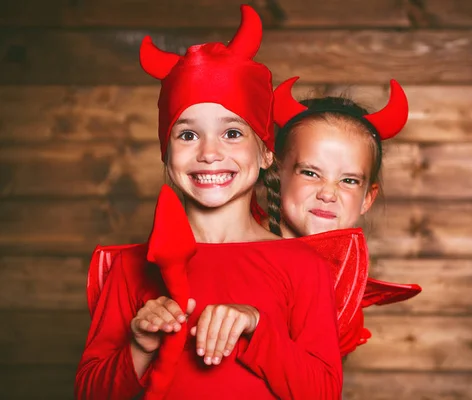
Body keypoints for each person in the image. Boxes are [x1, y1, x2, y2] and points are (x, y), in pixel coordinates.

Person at [75, 6, 342, 399]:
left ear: (267, 152)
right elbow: (89, 393)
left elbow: (323, 394)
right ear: (165, 155)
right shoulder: (131, 267)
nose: (210, 153)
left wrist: (257, 326)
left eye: (233, 133)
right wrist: (140, 346)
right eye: (187, 136)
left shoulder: (304, 266)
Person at [257, 76, 421, 355]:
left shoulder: (345, 300)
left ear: (367, 199)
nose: (328, 193)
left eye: (349, 181)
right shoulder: (229, 247)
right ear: (276, 173)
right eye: (310, 173)